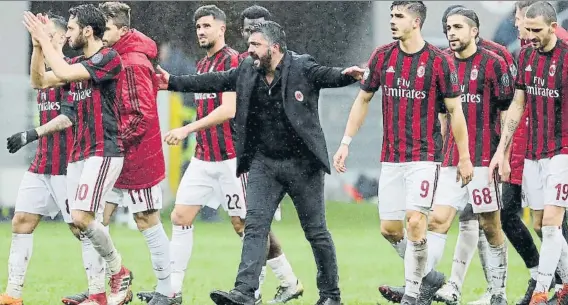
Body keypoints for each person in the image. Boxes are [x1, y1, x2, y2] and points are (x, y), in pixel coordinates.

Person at [157, 20, 363, 305]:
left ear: (274, 48)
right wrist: (172, 83)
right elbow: (216, 81)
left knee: (315, 231)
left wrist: (347, 75)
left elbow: (326, 75)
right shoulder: (247, 70)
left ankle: (330, 295)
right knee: (254, 226)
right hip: (265, 164)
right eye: (249, 45)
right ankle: (244, 292)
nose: (249, 50)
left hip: (303, 165)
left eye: (255, 45)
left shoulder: (301, 67)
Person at [333, 1, 472, 304]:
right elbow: (363, 100)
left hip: (425, 156)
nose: (393, 21)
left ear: (417, 22)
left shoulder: (438, 61)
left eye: (399, 16)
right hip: (392, 157)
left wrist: (463, 157)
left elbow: (455, 111)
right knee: (390, 229)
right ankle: (428, 277)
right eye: (391, 15)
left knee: (416, 222)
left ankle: (412, 295)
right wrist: (345, 142)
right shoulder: (383, 56)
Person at [9, 4, 133, 305]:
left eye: (73, 29)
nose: (69, 34)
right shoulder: (79, 64)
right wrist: (38, 47)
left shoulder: (108, 58)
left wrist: (46, 40)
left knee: (81, 217)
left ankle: (119, 270)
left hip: (103, 150)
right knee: (81, 224)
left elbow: (61, 71)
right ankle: (98, 295)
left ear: (87, 31)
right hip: (79, 154)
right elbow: (40, 81)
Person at [61, 2, 172, 305]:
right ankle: (101, 287)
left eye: (106, 28)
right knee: (92, 220)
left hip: (137, 155)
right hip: (114, 152)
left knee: (147, 220)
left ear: (123, 30)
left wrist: (113, 141)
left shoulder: (133, 61)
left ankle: (168, 290)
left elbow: (142, 114)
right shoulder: (110, 57)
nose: (101, 33)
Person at [424, 8, 512, 305]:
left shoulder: (494, 64)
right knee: (437, 221)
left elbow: (508, 111)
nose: (452, 32)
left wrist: (504, 154)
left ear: (474, 31)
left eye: (458, 27)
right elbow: (441, 115)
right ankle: (422, 283)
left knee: (490, 226)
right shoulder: (442, 64)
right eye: (448, 27)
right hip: (451, 161)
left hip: (485, 160)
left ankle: (498, 292)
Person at [490, 2, 568, 304]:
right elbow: (518, 105)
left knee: (551, 224)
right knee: (538, 224)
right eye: (528, 29)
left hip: (563, 151)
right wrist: (502, 151)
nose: (531, 35)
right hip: (534, 153)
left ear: (552, 27)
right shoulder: (525, 56)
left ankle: (540, 291)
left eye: (537, 30)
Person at [0, 13, 78, 305]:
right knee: (21, 221)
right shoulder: (44, 71)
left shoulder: (72, 70)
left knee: (81, 228)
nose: (41, 36)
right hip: (42, 165)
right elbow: (36, 83)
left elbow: (68, 118)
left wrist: (31, 134)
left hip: (69, 166)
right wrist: (36, 47)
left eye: (46, 33)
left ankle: (109, 281)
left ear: (59, 38)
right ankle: (13, 295)